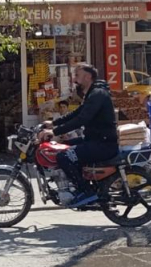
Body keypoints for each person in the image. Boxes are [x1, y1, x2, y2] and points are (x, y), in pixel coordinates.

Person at [40, 64, 117, 207]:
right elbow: (77, 113)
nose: (75, 79)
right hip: (94, 140)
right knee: (63, 147)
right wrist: (53, 123)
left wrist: (55, 132)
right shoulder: (92, 93)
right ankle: (77, 185)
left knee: (63, 156)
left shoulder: (98, 94)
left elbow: (82, 119)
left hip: (103, 143)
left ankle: (86, 192)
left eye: (77, 75)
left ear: (88, 76)